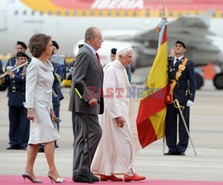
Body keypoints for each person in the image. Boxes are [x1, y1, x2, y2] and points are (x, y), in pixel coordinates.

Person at [91, 47, 146, 182]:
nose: (130, 60)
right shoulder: (112, 69)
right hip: (114, 113)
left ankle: (106, 172)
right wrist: (117, 115)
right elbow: (108, 93)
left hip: (119, 110)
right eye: (128, 57)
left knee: (110, 143)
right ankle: (128, 172)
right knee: (126, 141)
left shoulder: (120, 69)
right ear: (120, 56)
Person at [22, 33, 65, 183]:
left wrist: (51, 109)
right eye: (49, 45)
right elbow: (30, 88)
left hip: (45, 105)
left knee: (35, 140)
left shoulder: (47, 64)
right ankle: (52, 171)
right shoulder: (34, 64)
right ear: (42, 47)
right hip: (36, 106)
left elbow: (47, 88)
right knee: (50, 137)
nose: (52, 47)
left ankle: (28, 170)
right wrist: (30, 109)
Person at [69, 27, 104, 183]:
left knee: (83, 137)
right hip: (85, 104)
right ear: (92, 39)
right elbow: (77, 80)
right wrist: (88, 97)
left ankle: (79, 172)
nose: (102, 40)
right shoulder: (85, 53)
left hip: (89, 104)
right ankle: (82, 169)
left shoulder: (91, 54)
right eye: (100, 38)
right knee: (95, 133)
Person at [165, 40, 196, 156]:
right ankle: (171, 148)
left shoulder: (188, 63)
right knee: (170, 124)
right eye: (176, 46)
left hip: (182, 97)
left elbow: (193, 82)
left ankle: (181, 148)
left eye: (180, 46)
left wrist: (191, 98)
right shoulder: (168, 61)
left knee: (183, 124)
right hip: (170, 97)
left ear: (184, 50)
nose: (178, 47)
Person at [4, 52, 30, 150]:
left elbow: (25, 80)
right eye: (20, 59)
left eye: (24, 59)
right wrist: (3, 80)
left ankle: (23, 143)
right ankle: (14, 143)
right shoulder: (13, 69)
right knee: (13, 122)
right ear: (17, 61)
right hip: (13, 99)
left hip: (23, 98)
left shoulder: (27, 69)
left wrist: (13, 76)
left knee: (24, 123)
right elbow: (7, 83)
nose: (22, 60)